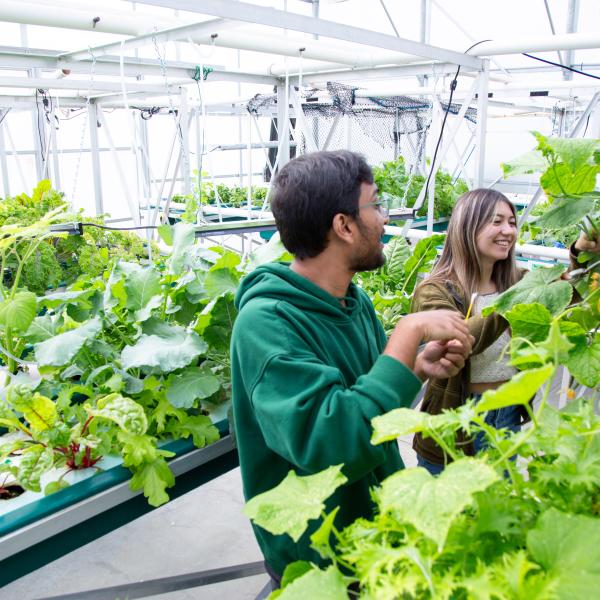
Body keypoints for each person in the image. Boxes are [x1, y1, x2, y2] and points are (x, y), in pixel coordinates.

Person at [230, 150, 473, 586]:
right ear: (343, 225)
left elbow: (368, 405)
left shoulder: (351, 300)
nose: (384, 220)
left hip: (375, 529)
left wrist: (414, 367)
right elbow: (332, 443)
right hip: (319, 553)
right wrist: (406, 332)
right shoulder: (266, 324)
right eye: (375, 205)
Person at [411, 188, 598, 475]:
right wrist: (516, 300)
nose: (508, 231)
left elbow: (567, 294)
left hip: (507, 412)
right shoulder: (434, 290)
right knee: (453, 512)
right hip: (453, 419)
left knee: (498, 511)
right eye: (496, 222)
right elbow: (456, 340)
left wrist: (579, 252)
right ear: (468, 226)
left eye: (512, 222)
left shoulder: (518, 280)